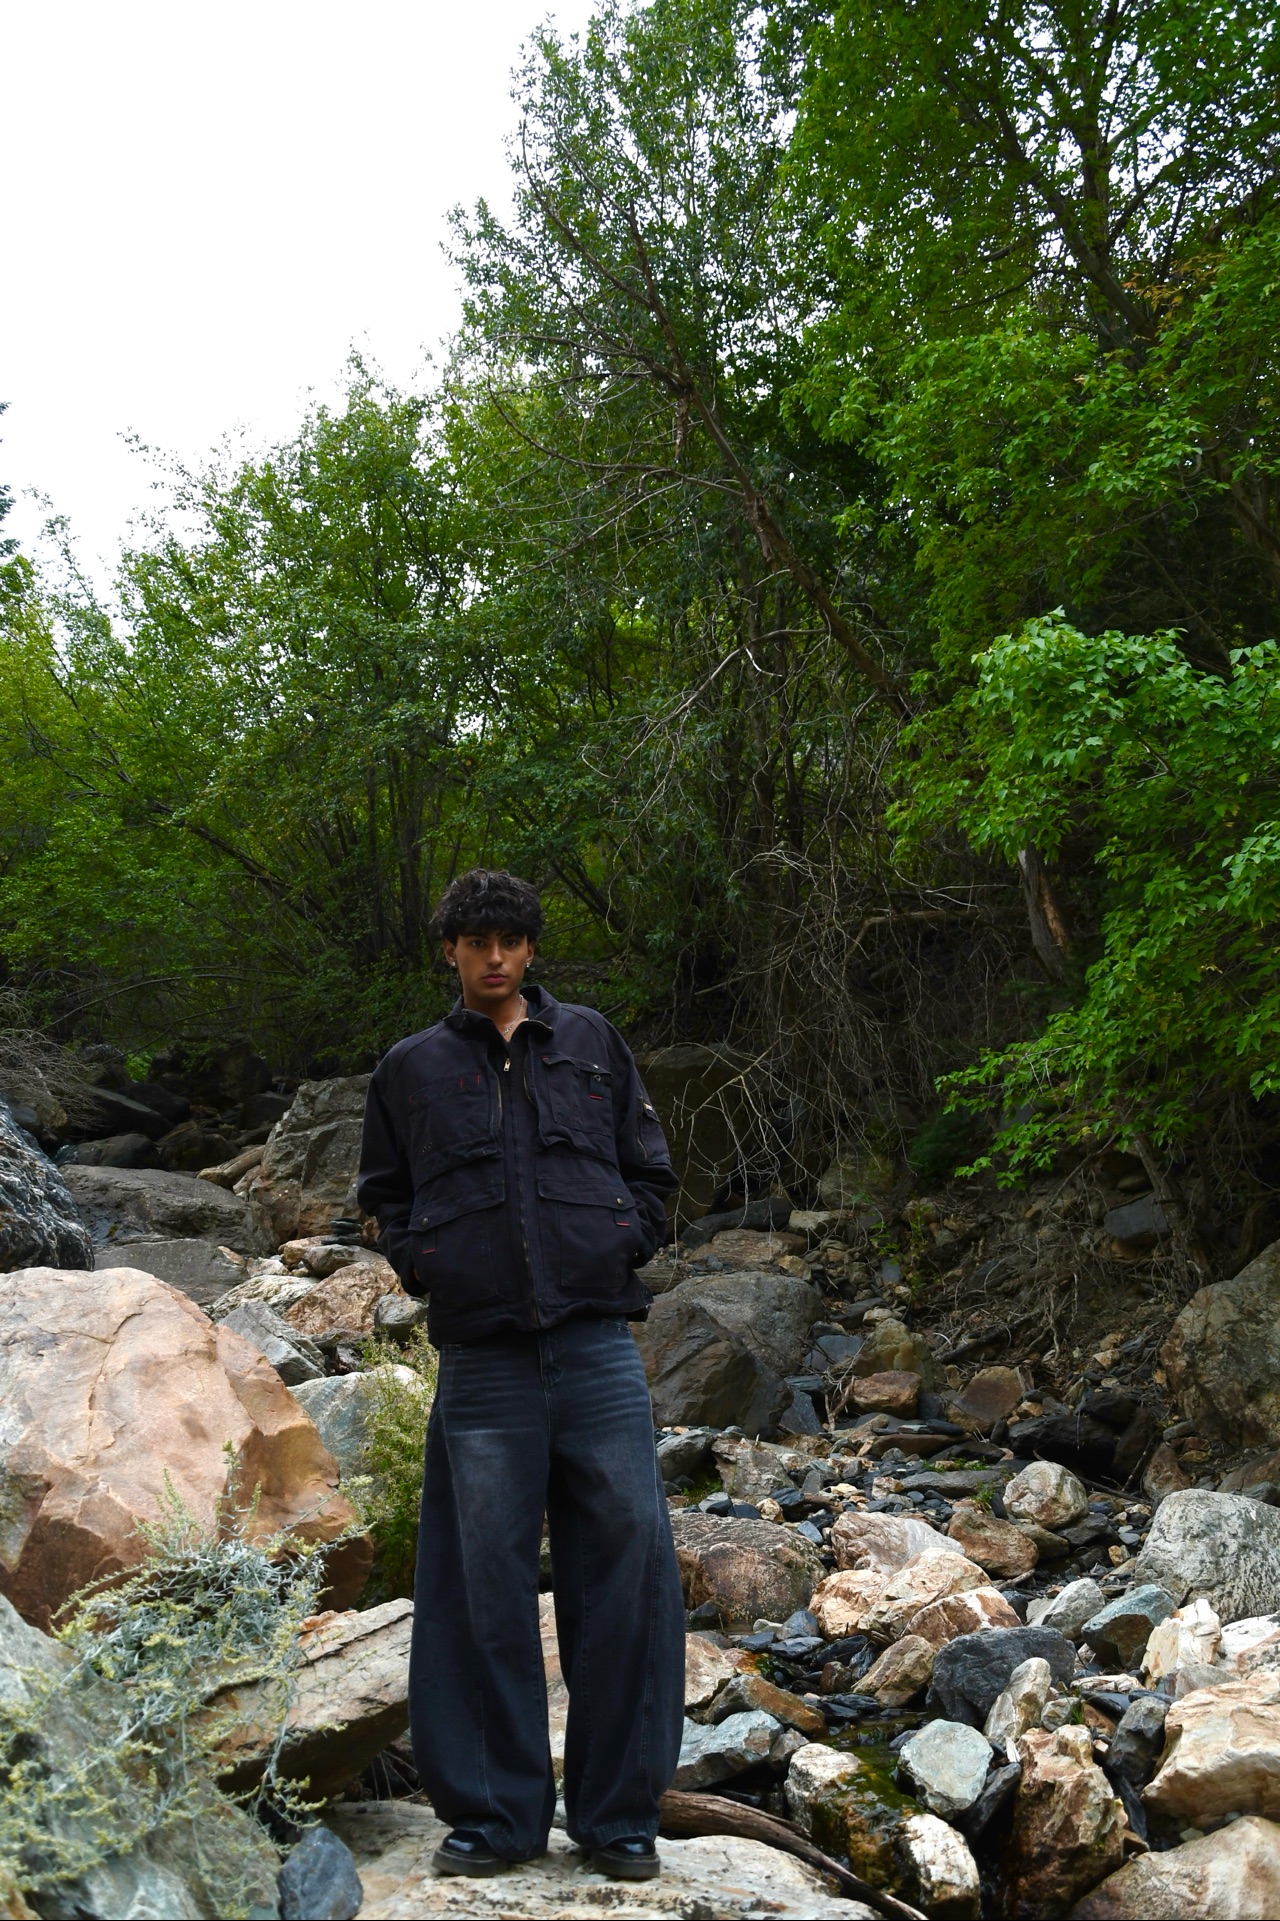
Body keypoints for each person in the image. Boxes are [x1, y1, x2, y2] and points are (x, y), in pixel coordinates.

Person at [357, 867, 685, 1882]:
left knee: (627, 1568)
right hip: (483, 1357)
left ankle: (618, 1816)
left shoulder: (591, 1043)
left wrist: (624, 1240)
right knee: (476, 1584)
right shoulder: (409, 1069)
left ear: (531, 948)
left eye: (509, 939)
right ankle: (495, 1816)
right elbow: (384, 1194)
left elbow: (649, 1169)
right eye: (476, 941)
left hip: (596, 1346)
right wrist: (424, 1261)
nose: (493, 956)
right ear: (450, 951)